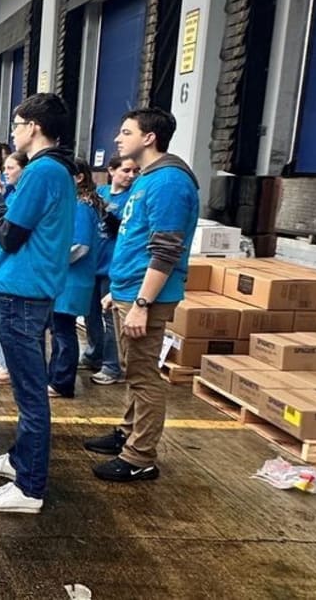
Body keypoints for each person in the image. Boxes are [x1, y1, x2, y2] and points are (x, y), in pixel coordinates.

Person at [0, 93, 76, 515]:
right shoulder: (54, 172)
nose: (12, 132)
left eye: (16, 123)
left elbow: (10, 235)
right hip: (32, 289)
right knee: (26, 389)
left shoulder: (42, 172)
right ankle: (19, 460)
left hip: (24, 292)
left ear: (33, 126)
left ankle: (29, 487)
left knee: (31, 393)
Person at [85, 108, 198, 482]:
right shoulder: (149, 179)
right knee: (135, 372)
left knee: (144, 377)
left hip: (144, 297)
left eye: (126, 131)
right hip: (129, 291)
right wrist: (118, 291)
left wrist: (142, 303)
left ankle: (140, 456)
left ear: (149, 138)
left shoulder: (169, 182)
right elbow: (135, 239)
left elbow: (165, 249)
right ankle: (127, 433)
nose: (118, 139)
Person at [47, 159, 105, 399]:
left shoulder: (81, 207)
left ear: (79, 178)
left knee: (63, 331)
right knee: (59, 330)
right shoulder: (74, 204)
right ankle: (55, 377)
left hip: (72, 279)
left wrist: (52, 260)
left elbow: (80, 246)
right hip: (66, 279)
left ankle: (62, 382)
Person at [83, 155, 139, 385]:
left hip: (112, 267)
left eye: (135, 171)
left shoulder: (132, 198)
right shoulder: (101, 194)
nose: (131, 176)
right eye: (126, 170)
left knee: (109, 319)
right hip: (93, 265)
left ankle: (111, 365)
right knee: (90, 315)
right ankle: (94, 354)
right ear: (112, 170)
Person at [0, 151, 29, 386]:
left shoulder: (23, 196)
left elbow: (10, 233)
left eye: (12, 168)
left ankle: (6, 365)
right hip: (0, 259)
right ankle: (0, 358)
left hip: (11, 262)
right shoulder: (10, 194)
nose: (8, 172)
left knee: (6, 317)